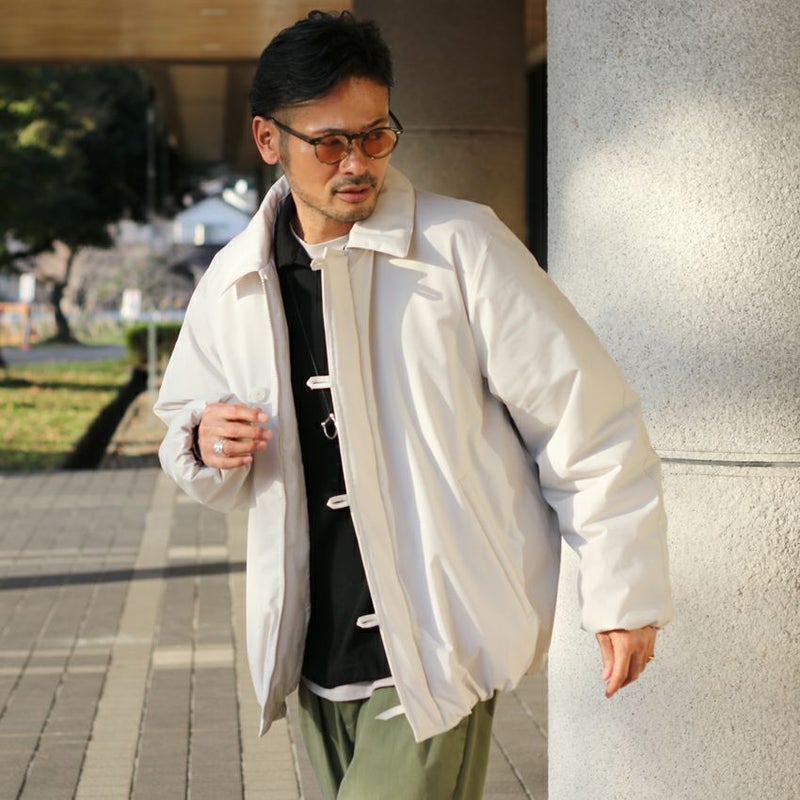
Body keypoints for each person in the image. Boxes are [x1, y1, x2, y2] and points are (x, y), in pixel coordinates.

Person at [155, 10, 672, 799]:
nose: (357, 162)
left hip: (434, 648)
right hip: (312, 659)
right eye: (330, 142)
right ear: (268, 140)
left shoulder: (461, 247)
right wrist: (202, 440)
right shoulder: (234, 281)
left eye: (375, 135)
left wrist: (622, 594)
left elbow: (585, 420)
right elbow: (184, 431)